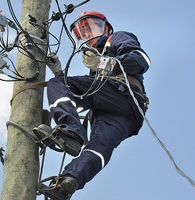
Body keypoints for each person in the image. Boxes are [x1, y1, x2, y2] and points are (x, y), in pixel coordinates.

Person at [34, 11, 151, 199]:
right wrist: (58, 71)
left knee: (58, 86)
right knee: (99, 146)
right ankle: (69, 181)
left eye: (90, 27)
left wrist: (104, 63)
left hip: (123, 93)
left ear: (105, 27)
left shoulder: (116, 38)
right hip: (125, 114)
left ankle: (71, 131)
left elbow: (141, 60)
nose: (87, 34)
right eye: (83, 32)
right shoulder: (95, 68)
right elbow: (79, 97)